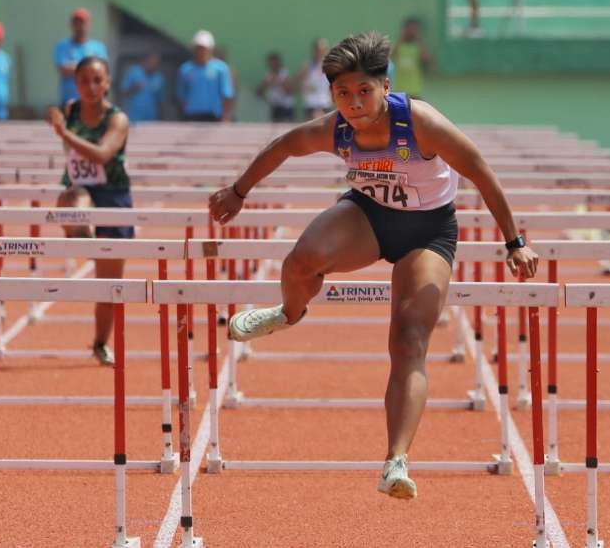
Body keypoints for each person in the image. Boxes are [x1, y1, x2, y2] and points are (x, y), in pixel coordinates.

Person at [209, 32, 538, 499]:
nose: (355, 102)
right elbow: (283, 145)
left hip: (428, 232)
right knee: (300, 261)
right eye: (343, 94)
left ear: (385, 87)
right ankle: (288, 313)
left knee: (408, 338)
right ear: (332, 95)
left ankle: (395, 461)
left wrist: (514, 242)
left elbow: (480, 169)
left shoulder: (420, 122)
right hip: (368, 216)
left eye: (364, 91)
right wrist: (238, 191)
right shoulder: (336, 128)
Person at [46, 56, 133, 366]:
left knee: (109, 287)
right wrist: (57, 118)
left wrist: (64, 134)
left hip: (113, 197)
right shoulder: (71, 110)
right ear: (76, 84)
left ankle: (99, 343)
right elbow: (56, 115)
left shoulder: (117, 119)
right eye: (84, 81)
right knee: (73, 201)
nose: (91, 87)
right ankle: (81, 236)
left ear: (107, 82)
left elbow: (102, 154)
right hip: (79, 192)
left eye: (98, 80)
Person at [175, 30, 235, 122]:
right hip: (191, 115)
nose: (201, 52)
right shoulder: (185, 69)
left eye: (204, 48)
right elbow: (181, 94)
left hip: (214, 116)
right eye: (198, 48)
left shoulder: (221, 68)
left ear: (211, 49)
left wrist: (226, 116)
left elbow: (227, 94)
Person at [54, 7, 108, 105]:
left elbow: (102, 74)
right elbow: (63, 70)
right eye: (76, 23)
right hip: (69, 101)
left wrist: (75, 68)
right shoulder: (62, 46)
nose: (80, 26)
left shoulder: (98, 47)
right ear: (72, 25)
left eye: (83, 22)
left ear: (88, 24)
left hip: (93, 102)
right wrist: (90, 69)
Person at [291, 37, 332, 119]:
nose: (321, 52)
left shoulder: (331, 67)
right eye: (318, 49)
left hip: (325, 105)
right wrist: (303, 87)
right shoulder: (307, 66)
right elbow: (293, 84)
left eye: (324, 49)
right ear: (314, 50)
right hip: (311, 105)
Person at [392, 17, 431, 100]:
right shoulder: (399, 46)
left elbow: (426, 59)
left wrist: (419, 40)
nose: (412, 32)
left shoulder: (419, 47)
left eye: (414, 29)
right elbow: (390, 56)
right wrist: (402, 38)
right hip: (399, 90)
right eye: (409, 29)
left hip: (415, 90)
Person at [120, 53, 164, 122]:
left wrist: (161, 117)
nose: (153, 66)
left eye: (156, 64)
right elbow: (124, 92)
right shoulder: (133, 72)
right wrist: (135, 87)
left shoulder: (158, 77)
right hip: (134, 117)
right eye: (151, 62)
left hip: (151, 118)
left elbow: (160, 100)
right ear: (145, 61)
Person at [255, 51, 295, 122]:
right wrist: (265, 86)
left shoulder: (284, 74)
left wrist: (280, 81)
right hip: (274, 107)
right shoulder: (269, 76)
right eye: (269, 63)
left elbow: (290, 91)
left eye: (273, 62)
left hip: (285, 107)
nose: (271, 65)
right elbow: (258, 92)